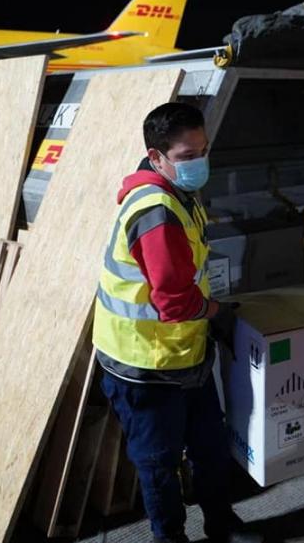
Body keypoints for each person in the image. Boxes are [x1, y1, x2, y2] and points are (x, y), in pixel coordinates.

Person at [92, 102, 260, 543]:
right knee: (159, 463)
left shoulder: (180, 193)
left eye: (203, 151)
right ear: (156, 157)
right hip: (145, 364)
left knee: (209, 448)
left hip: (185, 352)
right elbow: (172, 301)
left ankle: (221, 524)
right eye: (187, 156)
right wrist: (216, 312)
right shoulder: (157, 211)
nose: (199, 162)